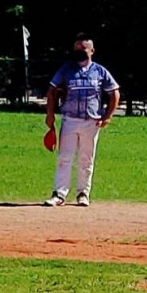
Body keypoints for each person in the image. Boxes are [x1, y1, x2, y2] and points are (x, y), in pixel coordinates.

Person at [42, 34, 120, 207]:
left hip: (91, 121)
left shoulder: (100, 71)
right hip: (69, 119)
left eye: (83, 48)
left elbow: (114, 92)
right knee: (64, 157)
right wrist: (50, 115)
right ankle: (59, 194)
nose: (79, 51)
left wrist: (108, 116)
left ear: (91, 51)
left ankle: (83, 193)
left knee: (86, 158)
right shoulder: (66, 69)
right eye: (76, 48)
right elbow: (51, 91)